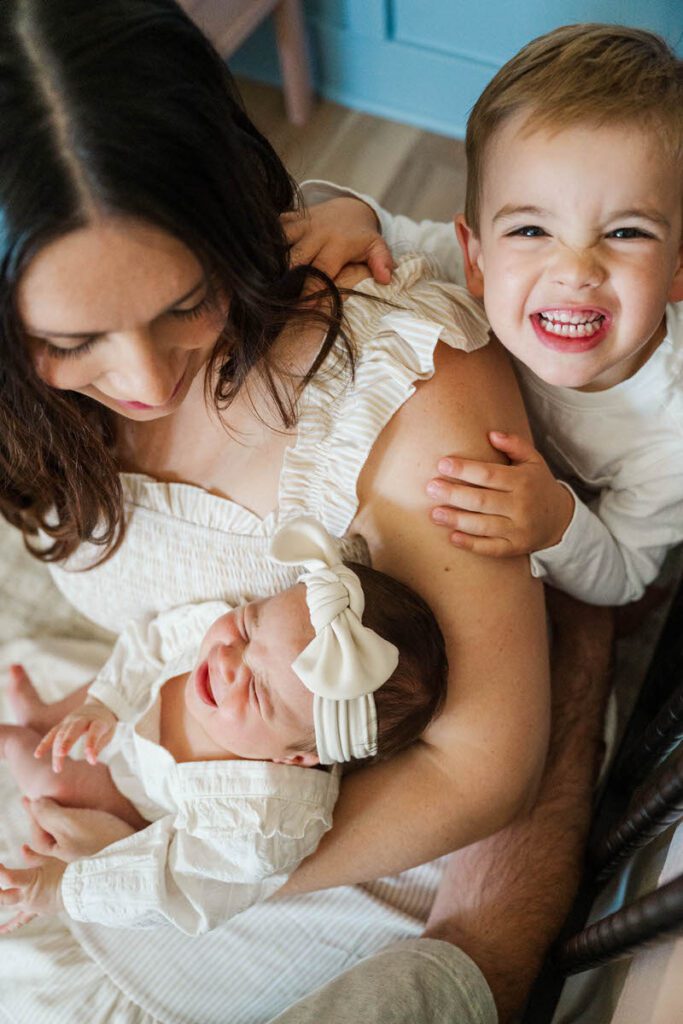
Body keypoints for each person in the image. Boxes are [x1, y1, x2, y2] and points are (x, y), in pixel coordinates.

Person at [0, 1, 549, 1022]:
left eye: (182, 305)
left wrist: (180, 864)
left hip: (336, 858)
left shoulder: (397, 389)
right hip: (153, 765)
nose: (144, 379)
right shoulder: (24, 404)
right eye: (72, 341)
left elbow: (482, 771)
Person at [295, 24, 683, 608]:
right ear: (476, 257)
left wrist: (558, 523)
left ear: (679, 268)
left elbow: (626, 573)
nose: (575, 271)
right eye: (531, 229)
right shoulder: (486, 272)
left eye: (625, 232)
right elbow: (396, 236)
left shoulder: (670, 438)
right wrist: (357, 215)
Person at [0, 518, 448, 935]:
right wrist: (103, 705)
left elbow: (178, 886)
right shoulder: (214, 636)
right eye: (248, 627)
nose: (227, 659)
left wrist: (64, 888)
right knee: (110, 692)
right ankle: (53, 716)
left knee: (39, 769)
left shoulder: (260, 818)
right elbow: (149, 645)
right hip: (128, 721)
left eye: (256, 691)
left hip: (129, 803)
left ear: (294, 758)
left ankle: (22, 740)